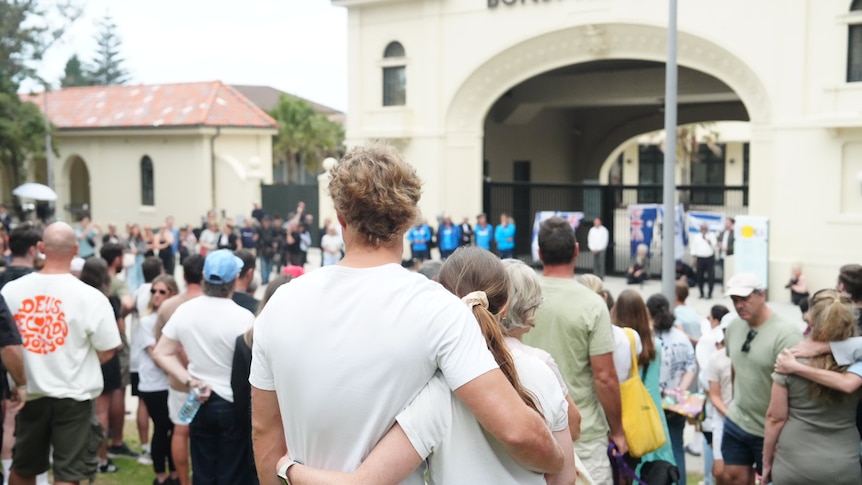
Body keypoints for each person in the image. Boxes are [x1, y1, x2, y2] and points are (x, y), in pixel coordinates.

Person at [250, 144, 564, 485]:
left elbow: (264, 432)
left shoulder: (281, 303)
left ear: (341, 218)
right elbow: (517, 431)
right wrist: (559, 459)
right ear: (409, 219)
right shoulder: (437, 308)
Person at [281, 248, 577, 485]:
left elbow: (365, 482)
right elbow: (563, 479)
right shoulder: (543, 372)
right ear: (505, 303)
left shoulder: (436, 391)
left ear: (440, 294)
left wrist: (286, 468)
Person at [2, 222, 121, 485]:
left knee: (23, 467)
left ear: (42, 248)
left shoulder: (10, 292)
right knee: (69, 474)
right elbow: (108, 350)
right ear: (76, 249)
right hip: (74, 394)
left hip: (29, 390)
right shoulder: (92, 297)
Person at [522, 216, 627, 484]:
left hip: (530, 425)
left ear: (540, 253)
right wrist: (618, 430)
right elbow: (605, 377)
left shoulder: (521, 297)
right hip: (582, 432)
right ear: (577, 251)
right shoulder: (592, 304)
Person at [153, 250, 256, 484]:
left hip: (200, 398)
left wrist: (190, 380)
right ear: (234, 278)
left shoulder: (186, 311)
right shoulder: (243, 317)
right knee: (232, 472)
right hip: (231, 403)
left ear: (203, 276)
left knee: (203, 470)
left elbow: (161, 352)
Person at [762, 289, 861, 485]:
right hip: (844, 466)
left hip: (794, 465)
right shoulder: (857, 363)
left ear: (811, 320)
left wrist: (766, 462)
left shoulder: (789, 360)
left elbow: (775, 419)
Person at [721, 273, 802, 485]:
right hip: (737, 420)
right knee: (731, 477)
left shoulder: (786, 334)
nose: (739, 305)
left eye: (745, 298)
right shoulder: (733, 327)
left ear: (762, 295)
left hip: (771, 431)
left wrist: (782, 432)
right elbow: (735, 367)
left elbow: (797, 389)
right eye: (734, 300)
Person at [232, 275, 294, 485]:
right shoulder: (297, 342)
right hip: (291, 429)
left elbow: (239, 395)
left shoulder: (247, 339)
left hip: (256, 425)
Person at [612, 289, 676, 477]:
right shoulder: (653, 345)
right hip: (650, 407)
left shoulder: (616, 342)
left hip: (625, 405)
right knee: (658, 466)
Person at [153, 254, 205, 485]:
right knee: (203, 436)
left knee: (180, 430)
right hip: (208, 380)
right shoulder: (212, 304)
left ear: (183, 276)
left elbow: (160, 346)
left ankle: (184, 481)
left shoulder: (168, 306)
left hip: (178, 380)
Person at [646, 293, 696, 485]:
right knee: (676, 447)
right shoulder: (682, 338)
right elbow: (691, 367)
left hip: (652, 402)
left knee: (652, 451)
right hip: (677, 404)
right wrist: (678, 394)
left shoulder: (648, 338)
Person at [137, 275, 181, 485]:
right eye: (154, 291)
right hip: (154, 384)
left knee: (176, 428)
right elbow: (156, 354)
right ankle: (161, 475)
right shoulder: (146, 321)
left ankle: (174, 473)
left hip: (172, 383)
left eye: (162, 292)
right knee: (162, 427)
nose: (156, 295)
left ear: (172, 294)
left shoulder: (176, 318)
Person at [705, 323, 733, 485]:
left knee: (744, 472)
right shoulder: (716, 358)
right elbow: (714, 395)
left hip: (746, 420)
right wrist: (730, 414)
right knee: (720, 471)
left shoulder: (748, 355)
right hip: (723, 419)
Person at [691, 223, 717, 299]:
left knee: (711, 276)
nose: (704, 229)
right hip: (700, 258)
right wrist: (694, 258)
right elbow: (693, 247)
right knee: (699, 276)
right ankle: (701, 293)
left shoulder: (711, 235)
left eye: (705, 228)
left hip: (709, 258)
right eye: (702, 228)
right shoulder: (696, 236)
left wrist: (708, 240)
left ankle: (710, 293)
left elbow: (715, 245)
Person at [257, 217, 279, 285]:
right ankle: (264, 280)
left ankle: (267, 278)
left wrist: (275, 243)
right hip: (262, 249)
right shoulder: (260, 229)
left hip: (270, 250)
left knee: (269, 265)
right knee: (263, 265)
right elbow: (257, 238)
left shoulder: (272, 229)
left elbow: (276, 238)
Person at [717, 218, 734, 286]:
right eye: (725, 222)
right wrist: (719, 244)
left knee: (729, 271)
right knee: (723, 271)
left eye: (728, 222)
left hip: (729, 255)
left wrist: (727, 249)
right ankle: (724, 285)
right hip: (722, 255)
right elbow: (719, 240)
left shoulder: (733, 233)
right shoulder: (722, 232)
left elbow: (734, 244)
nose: (726, 224)